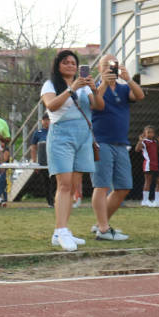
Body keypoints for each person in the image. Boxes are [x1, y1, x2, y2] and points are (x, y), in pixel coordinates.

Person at [40, 50, 103, 251]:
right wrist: (71, 89)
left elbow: (99, 106)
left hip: (83, 136)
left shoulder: (84, 86)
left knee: (74, 185)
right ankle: (62, 229)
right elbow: (51, 105)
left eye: (73, 63)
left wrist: (95, 89)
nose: (70, 66)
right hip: (61, 136)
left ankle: (61, 231)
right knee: (64, 184)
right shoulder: (51, 85)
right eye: (65, 62)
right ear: (58, 65)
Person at [90, 54, 145, 241]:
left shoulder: (123, 89)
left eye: (113, 65)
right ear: (99, 68)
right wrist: (104, 83)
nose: (109, 68)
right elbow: (95, 103)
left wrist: (128, 78)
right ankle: (104, 229)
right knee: (101, 185)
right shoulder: (94, 88)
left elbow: (139, 95)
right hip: (101, 142)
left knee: (123, 187)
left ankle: (101, 223)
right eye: (105, 65)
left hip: (121, 143)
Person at [137, 125, 159, 207]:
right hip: (148, 165)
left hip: (155, 165)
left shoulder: (154, 142)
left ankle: (157, 201)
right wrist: (140, 141)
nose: (150, 134)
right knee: (148, 182)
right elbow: (137, 149)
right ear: (144, 134)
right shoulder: (144, 142)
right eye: (148, 132)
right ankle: (145, 201)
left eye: (152, 132)